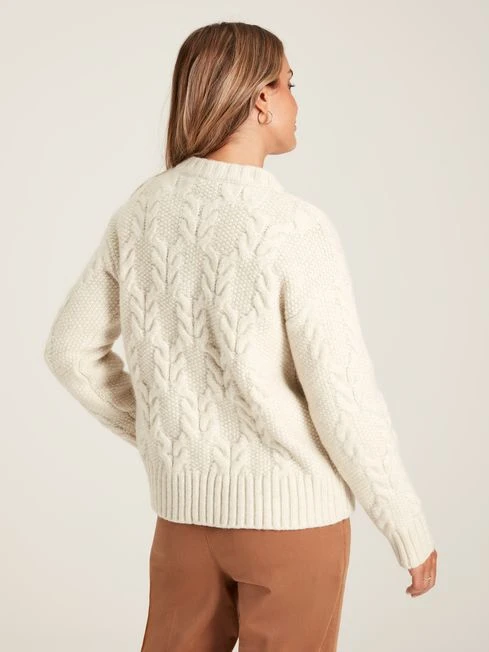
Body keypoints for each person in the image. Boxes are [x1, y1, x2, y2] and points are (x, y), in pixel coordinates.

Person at [43, 20, 438, 652]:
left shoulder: (142, 211)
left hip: (182, 524)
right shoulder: (294, 228)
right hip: (292, 522)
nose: (295, 102)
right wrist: (406, 526)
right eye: (289, 84)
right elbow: (342, 398)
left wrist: (166, 436)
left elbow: (69, 350)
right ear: (260, 99)